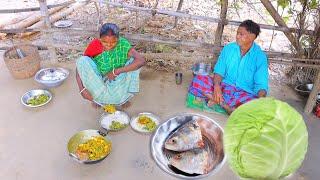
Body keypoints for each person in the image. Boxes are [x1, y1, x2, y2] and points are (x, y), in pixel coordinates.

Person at [188, 20, 268, 114]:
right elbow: (219, 71)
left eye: (241, 34)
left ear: (252, 37)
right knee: (198, 79)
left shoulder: (260, 57)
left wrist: (258, 102)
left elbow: (261, 85)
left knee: (259, 106)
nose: (237, 36)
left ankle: (216, 100)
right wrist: (217, 87)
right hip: (225, 86)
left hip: (244, 93)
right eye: (237, 33)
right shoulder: (229, 48)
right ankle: (226, 107)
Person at [76, 23, 145, 107]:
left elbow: (141, 60)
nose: (109, 45)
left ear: (118, 39)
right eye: (104, 42)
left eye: (113, 42)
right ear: (100, 39)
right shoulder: (95, 45)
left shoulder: (122, 44)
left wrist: (116, 71)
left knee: (133, 61)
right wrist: (81, 89)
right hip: (99, 77)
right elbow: (80, 66)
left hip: (117, 77)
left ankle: (123, 98)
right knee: (82, 60)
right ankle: (97, 97)